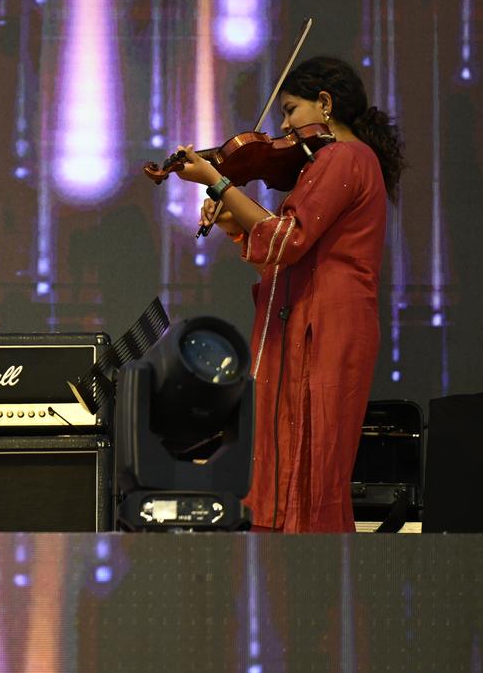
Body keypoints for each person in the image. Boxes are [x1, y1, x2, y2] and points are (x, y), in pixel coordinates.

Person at [173, 56, 404, 532]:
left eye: (291, 110)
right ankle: (296, 578)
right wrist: (235, 221)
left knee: (310, 466)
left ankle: (304, 580)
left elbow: (288, 239)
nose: (283, 125)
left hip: (325, 327)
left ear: (325, 103)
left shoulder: (343, 157)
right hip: (316, 320)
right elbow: (282, 251)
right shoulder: (342, 161)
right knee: (295, 463)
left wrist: (219, 182)